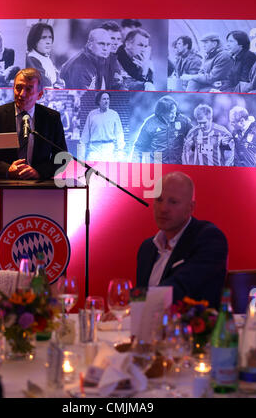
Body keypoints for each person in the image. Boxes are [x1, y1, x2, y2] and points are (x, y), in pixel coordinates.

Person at [136, 171, 228, 308]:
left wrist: (132, 301)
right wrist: (126, 311)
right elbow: (140, 304)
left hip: (192, 327)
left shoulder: (209, 239)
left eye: (173, 202)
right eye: (159, 200)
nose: (163, 208)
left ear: (190, 208)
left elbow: (182, 287)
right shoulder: (147, 248)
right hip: (148, 328)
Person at [0, 67, 68, 180]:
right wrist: (7, 170)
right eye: (18, 88)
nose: (22, 94)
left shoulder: (51, 118)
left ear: (39, 95)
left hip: (39, 187)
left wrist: (39, 172)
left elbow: (62, 157)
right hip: (2, 183)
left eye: (29, 89)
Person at [132, 96, 192, 163]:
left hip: (178, 164)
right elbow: (139, 147)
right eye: (171, 113)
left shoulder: (183, 121)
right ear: (162, 113)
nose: (174, 115)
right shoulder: (150, 123)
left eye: (175, 112)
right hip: (157, 165)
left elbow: (195, 136)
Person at [80, 91, 125, 162]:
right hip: (94, 151)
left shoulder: (114, 114)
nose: (106, 101)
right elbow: (85, 136)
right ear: (99, 101)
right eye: (104, 99)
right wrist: (81, 158)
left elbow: (119, 134)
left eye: (108, 99)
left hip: (109, 151)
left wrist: (120, 152)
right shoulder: (92, 115)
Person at [26, 22, 65, 89]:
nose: (48, 41)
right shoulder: (31, 59)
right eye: (44, 38)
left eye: (50, 37)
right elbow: (46, 84)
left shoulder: (46, 57)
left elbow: (60, 82)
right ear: (35, 40)